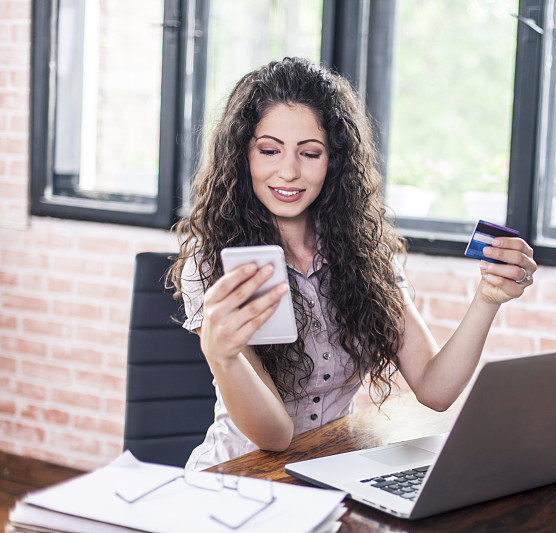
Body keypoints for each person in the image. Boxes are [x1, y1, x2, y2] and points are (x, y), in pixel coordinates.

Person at [169, 58, 536, 471]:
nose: (288, 172)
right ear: (242, 156)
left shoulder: (361, 252)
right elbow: (274, 436)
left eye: (310, 153)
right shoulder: (214, 260)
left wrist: (487, 299)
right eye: (269, 150)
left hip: (333, 473)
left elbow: (436, 388)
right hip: (238, 476)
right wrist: (223, 356)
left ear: (334, 161)